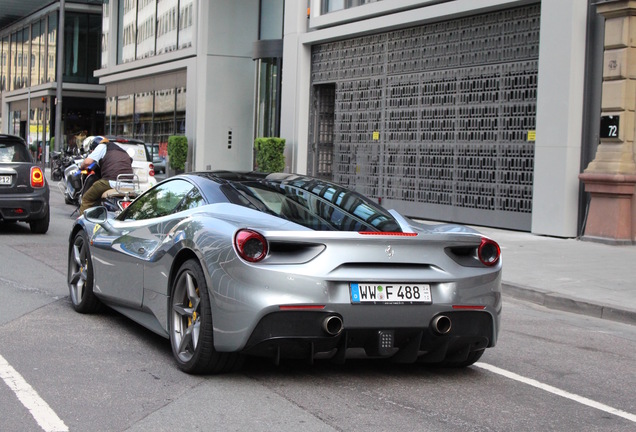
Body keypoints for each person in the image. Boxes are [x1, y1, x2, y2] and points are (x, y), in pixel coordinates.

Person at [78, 136, 134, 214]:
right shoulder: (121, 150)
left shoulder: (102, 146)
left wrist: (81, 166)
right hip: (129, 184)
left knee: (87, 199)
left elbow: (87, 162)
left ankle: (83, 223)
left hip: (112, 181)